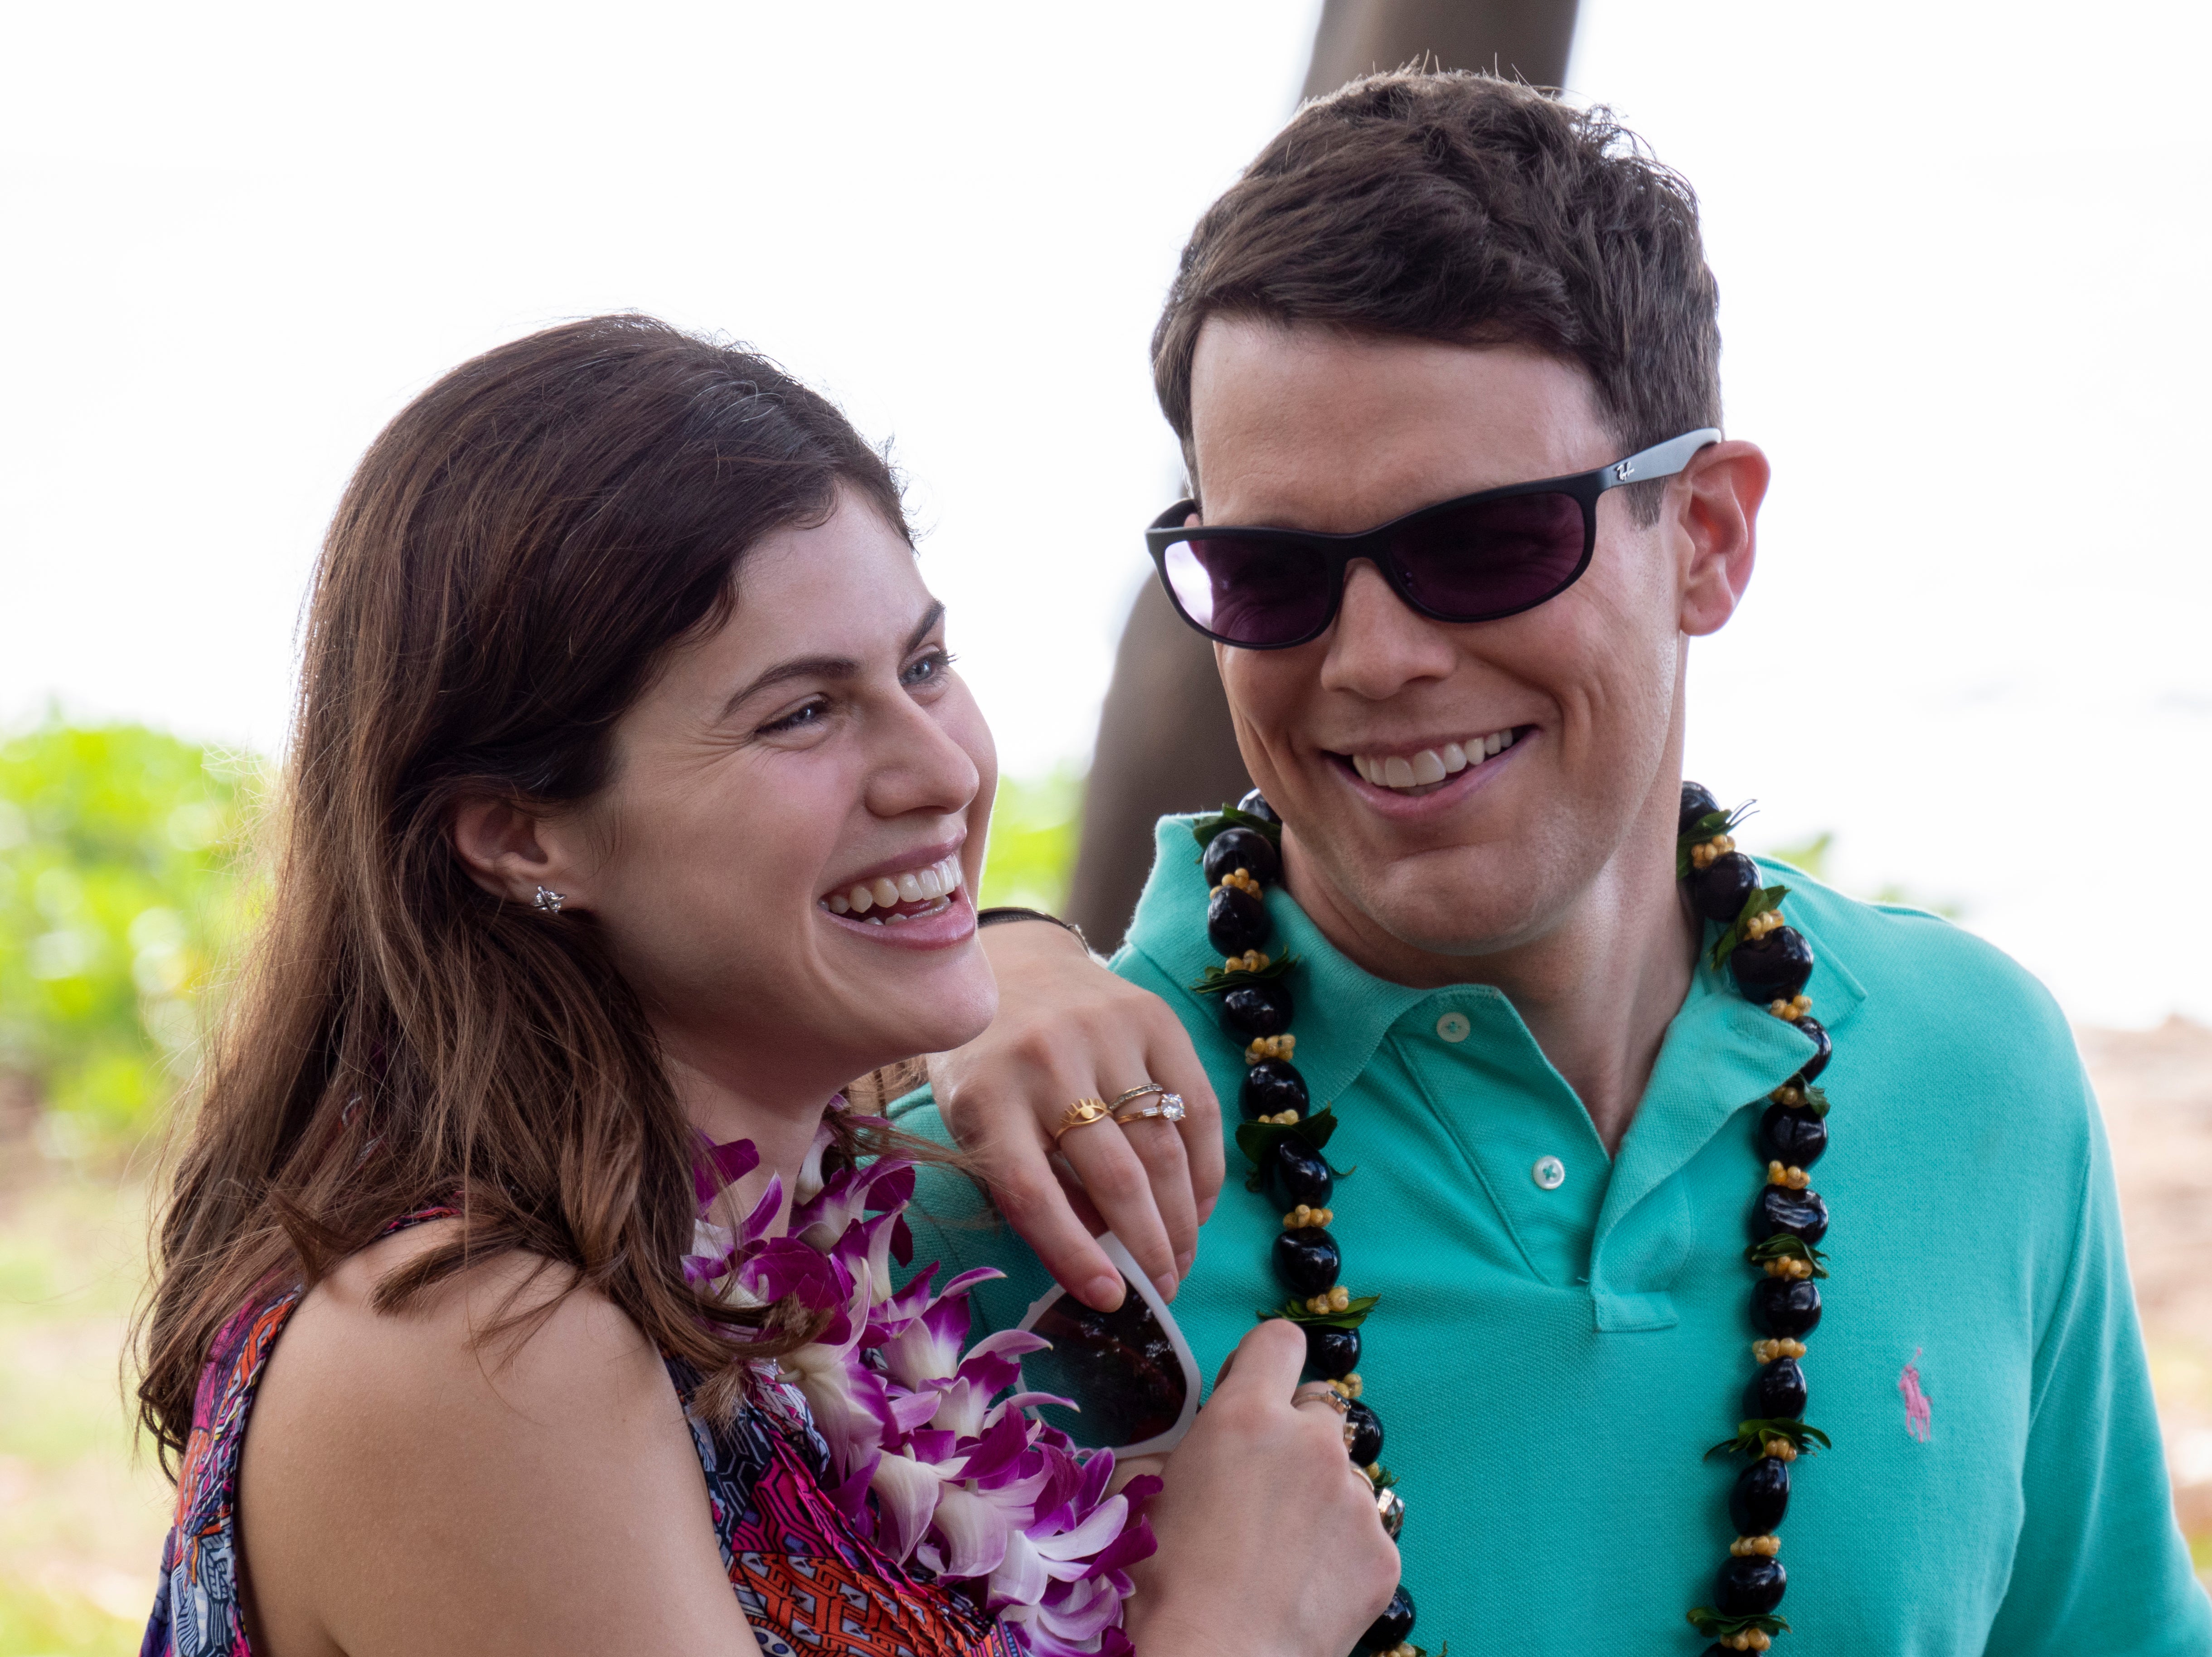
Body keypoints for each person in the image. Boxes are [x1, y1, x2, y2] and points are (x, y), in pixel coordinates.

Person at [901, 72, 2212, 1654]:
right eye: (1272, 572)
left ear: (1711, 538)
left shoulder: (1973, 1068)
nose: (1377, 659)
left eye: (1485, 545)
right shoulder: (1011, 1195)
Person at [131, 316, 1398, 1657]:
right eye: (803, 712)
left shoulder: (816, 1278)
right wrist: (1234, 1626)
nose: (944, 773)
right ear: (521, 835)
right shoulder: (472, 1346)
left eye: (922, 666)